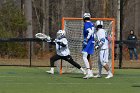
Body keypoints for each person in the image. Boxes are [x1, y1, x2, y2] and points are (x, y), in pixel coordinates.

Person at [82, 13, 95, 79]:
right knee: (88, 57)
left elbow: (90, 32)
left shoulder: (86, 24)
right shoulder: (92, 24)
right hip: (92, 41)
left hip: (89, 41)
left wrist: (86, 39)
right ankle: (91, 72)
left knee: (84, 56)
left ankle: (88, 72)